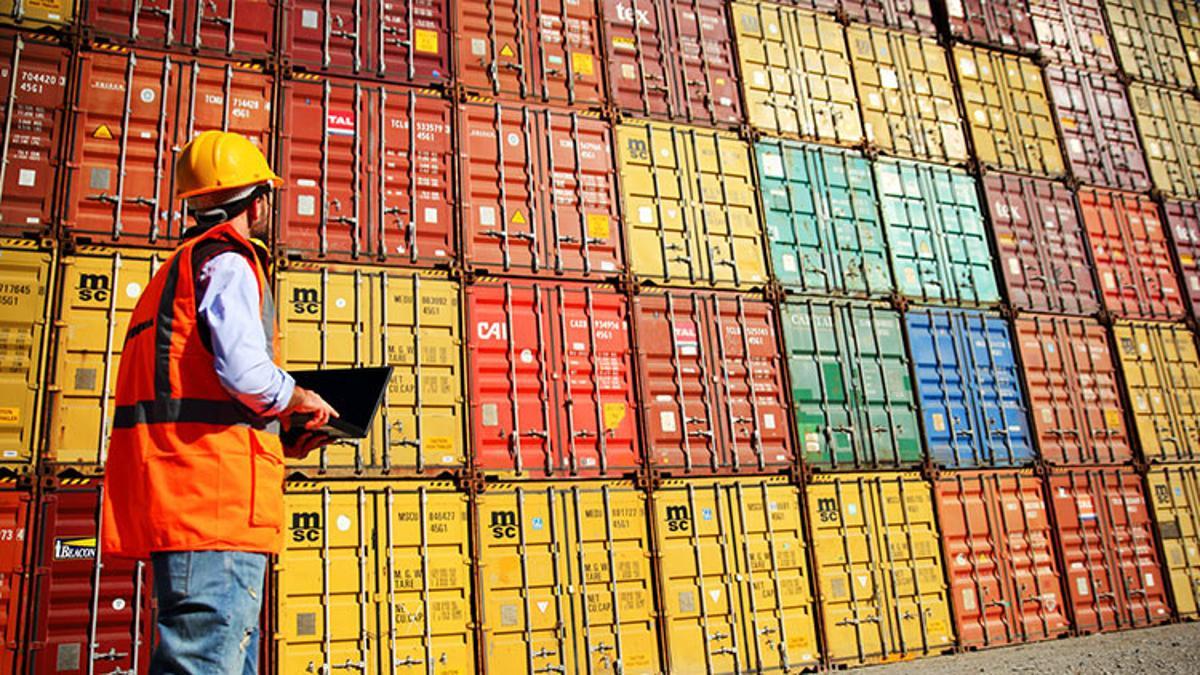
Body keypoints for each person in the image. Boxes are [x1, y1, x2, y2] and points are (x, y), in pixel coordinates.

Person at [101, 130, 338, 674]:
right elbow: (245, 374)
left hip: (188, 497)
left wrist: (281, 434)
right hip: (213, 507)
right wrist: (298, 397)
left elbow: (193, 393)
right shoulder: (229, 262)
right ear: (256, 201)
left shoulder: (173, 272)